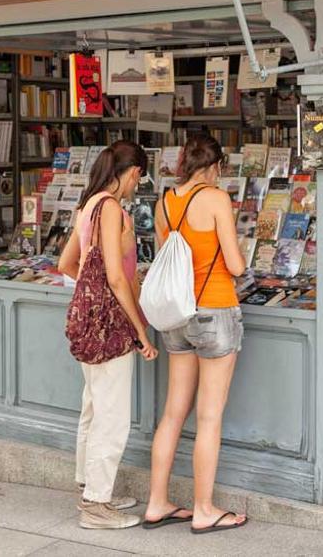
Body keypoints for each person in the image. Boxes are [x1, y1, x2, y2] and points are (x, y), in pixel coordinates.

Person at [143, 133, 249, 534]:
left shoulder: (166, 202)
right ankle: (203, 509)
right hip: (215, 310)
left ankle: (157, 502)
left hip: (179, 315)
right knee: (209, 418)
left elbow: (168, 258)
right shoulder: (216, 199)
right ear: (216, 166)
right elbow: (236, 266)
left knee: (173, 412)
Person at [58, 140, 158, 530]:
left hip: (87, 322)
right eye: (138, 176)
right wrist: (140, 331)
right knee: (111, 418)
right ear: (131, 172)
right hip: (109, 327)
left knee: (93, 409)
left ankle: (90, 488)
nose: (137, 184)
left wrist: (89, 290)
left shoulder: (88, 205)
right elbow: (117, 276)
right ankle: (96, 505)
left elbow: (67, 263)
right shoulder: (112, 208)